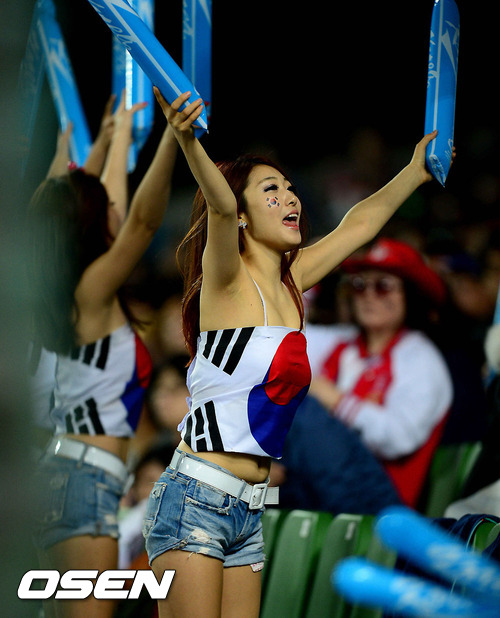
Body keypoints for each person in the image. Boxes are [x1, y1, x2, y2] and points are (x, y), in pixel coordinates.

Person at [141, 87, 448, 618]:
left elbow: (358, 225)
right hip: (195, 499)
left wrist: (414, 171)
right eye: (271, 191)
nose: (290, 198)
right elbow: (218, 205)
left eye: (290, 188)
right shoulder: (226, 281)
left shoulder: (292, 281)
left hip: (248, 510)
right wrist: (188, 140)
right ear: (242, 215)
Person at [28, 93, 178, 618]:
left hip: (63, 474)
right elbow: (142, 223)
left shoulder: (63, 289)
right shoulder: (92, 291)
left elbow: (97, 205)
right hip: (85, 480)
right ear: (93, 223)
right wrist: (174, 138)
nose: (118, 206)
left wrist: (115, 141)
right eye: (107, 208)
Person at [306, 238, 453, 508]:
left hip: (380, 500)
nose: (369, 295)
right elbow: (276, 340)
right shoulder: (341, 342)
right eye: (359, 285)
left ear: (410, 295)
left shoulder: (420, 358)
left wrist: (335, 400)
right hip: (321, 484)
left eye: (383, 286)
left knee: (303, 412)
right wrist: (308, 271)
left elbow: (399, 438)